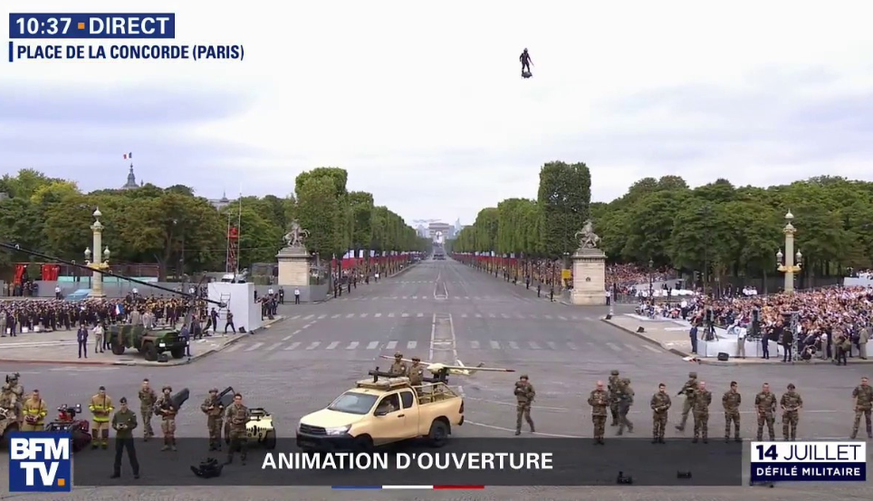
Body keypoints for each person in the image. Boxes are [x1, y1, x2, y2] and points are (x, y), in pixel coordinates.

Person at [111, 397, 140, 479]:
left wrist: (128, 426)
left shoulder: (131, 414)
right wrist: (116, 427)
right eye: (121, 404)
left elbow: (135, 424)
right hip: (119, 437)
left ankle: (136, 472)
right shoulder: (117, 414)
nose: (123, 406)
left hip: (128, 437)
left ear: (126, 404)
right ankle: (117, 472)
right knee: (118, 455)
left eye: (124, 404)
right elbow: (113, 423)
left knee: (132, 454)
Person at [224, 393, 249, 465]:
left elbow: (249, 417)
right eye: (237, 399)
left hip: (242, 429)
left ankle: (243, 459)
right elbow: (227, 416)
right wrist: (232, 421)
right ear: (234, 399)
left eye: (239, 399)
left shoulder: (245, 408)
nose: (238, 401)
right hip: (233, 429)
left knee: (244, 444)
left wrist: (243, 421)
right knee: (232, 445)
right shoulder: (230, 408)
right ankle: (229, 459)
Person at [155, 386, 178, 451]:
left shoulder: (173, 398)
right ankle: (166, 444)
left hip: (171, 416)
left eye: (168, 390)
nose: (167, 391)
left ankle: (172, 444)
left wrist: (173, 409)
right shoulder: (161, 399)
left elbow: (177, 407)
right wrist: (163, 411)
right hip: (164, 417)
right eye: (165, 390)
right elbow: (156, 406)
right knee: (165, 431)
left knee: (171, 431)